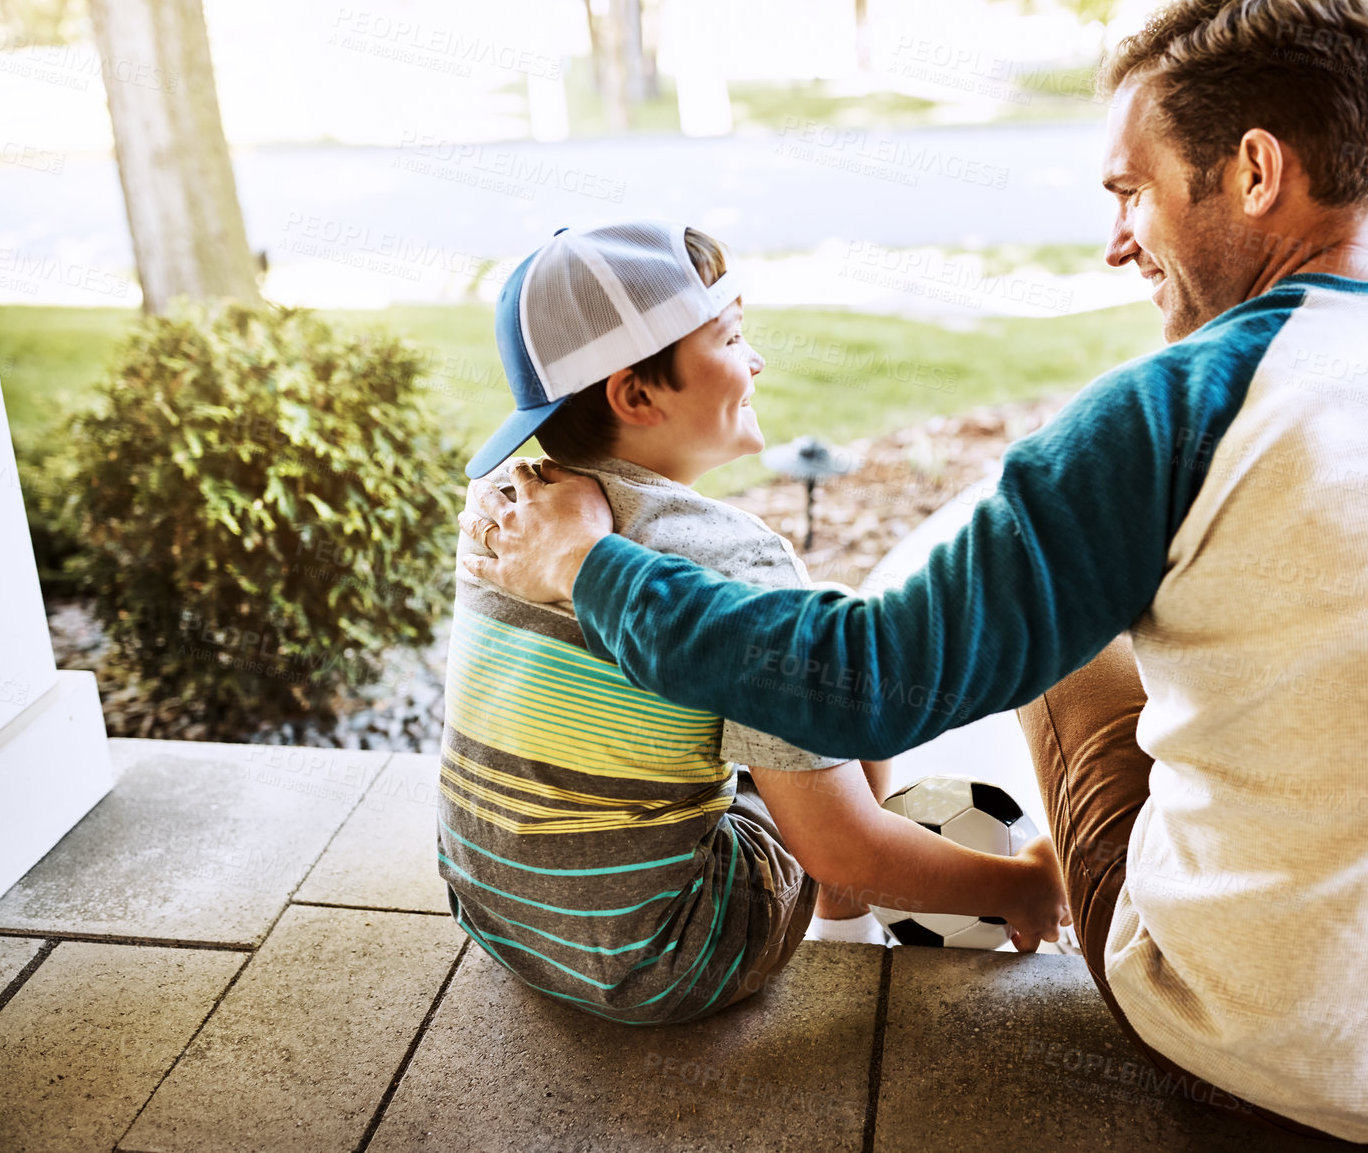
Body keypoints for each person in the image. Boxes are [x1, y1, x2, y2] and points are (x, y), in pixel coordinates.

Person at [457, 0, 1368, 1147]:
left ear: (1253, 169)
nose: (1115, 239)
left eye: (1130, 190)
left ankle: (1030, 894)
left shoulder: (1182, 404)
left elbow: (854, 685)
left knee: (1068, 637)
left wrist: (590, 565)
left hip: (1266, 1062)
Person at [443, 220, 1069, 1026]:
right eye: (733, 336)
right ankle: (842, 926)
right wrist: (1022, 887)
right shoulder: (736, 564)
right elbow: (841, 847)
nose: (758, 359)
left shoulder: (507, 510)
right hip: (668, 958)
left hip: (497, 914)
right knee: (842, 640)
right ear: (636, 394)